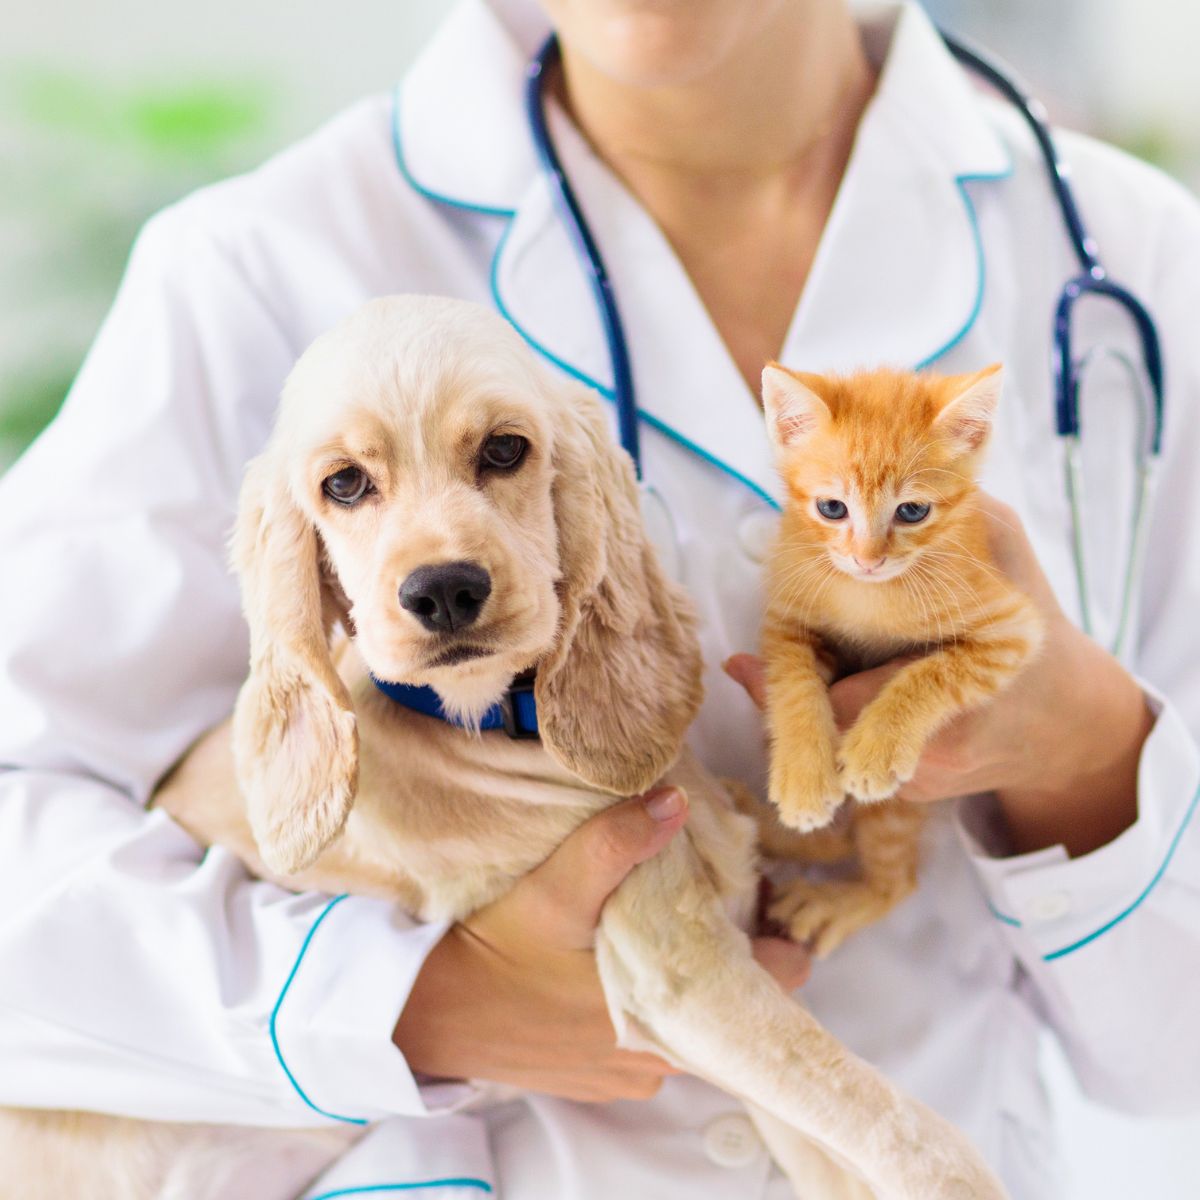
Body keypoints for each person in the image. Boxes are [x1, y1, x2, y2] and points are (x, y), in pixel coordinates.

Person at [1, 0, 1198, 1196]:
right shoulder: (256, 267)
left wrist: (1087, 746)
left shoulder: (1137, 260)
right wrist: (406, 1003)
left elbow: (1176, 1064)